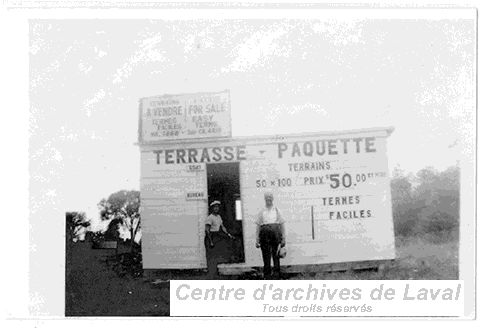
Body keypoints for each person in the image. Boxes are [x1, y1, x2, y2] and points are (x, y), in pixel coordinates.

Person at [255, 192, 286, 279]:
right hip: (264, 234)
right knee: (266, 255)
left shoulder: (277, 210)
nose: (268, 199)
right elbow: (258, 225)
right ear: (265, 199)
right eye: (267, 198)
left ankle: (276, 274)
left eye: (270, 198)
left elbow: (282, 224)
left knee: (276, 255)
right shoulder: (262, 211)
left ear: (272, 199)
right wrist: (257, 239)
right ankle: (267, 275)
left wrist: (283, 238)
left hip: (275, 234)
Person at [204, 200, 234, 278]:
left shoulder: (218, 217)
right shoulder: (210, 217)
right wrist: (210, 241)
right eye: (215, 207)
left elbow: (222, 227)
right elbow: (207, 230)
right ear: (212, 208)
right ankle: (211, 273)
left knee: (217, 254)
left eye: (217, 207)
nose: (216, 209)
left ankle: (216, 272)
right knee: (211, 255)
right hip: (210, 236)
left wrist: (228, 234)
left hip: (217, 236)